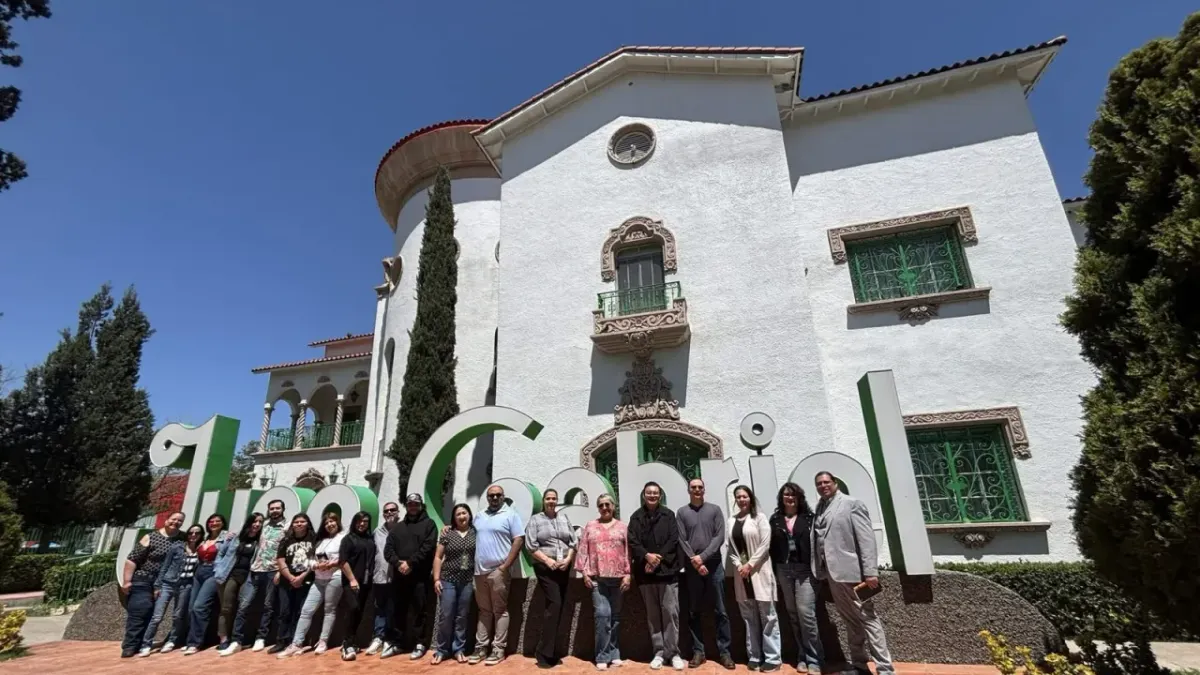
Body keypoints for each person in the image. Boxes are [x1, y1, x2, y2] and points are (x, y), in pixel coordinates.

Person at [812, 471, 893, 675]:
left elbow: (866, 539)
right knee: (849, 619)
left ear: (835, 483)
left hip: (855, 575)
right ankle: (859, 664)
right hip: (832, 575)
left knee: (868, 618)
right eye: (819, 484)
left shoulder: (851, 504)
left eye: (826, 482)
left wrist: (870, 572)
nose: (823, 486)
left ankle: (885, 668)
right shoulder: (819, 507)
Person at [677, 478, 733, 669]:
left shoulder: (715, 510)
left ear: (704, 490)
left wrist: (703, 557)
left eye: (700, 487)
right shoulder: (682, 512)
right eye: (693, 487)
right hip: (692, 569)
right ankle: (698, 651)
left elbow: (719, 536)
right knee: (694, 611)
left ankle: (725, 653)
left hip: (715, 566)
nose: (697, 490)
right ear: (688, 490)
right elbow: (682, 539)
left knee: (721, 611)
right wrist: (695, 560)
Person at [628, 481, 684, 671]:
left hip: (667, 573)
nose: (652, 496)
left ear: (660, 496)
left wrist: (657, 560)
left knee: (670, 613)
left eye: (655, 493)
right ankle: (659, 652)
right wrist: (647, 557)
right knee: (653, 615)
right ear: (644, 495)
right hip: (646, 575)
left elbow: (673, 539)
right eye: (648, 493)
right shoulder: (636, 517)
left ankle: (674, 653)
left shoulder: (669, 515)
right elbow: (633, 542)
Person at [221, 499, 288, 656]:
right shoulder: (262, 525)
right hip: (255, 569)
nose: (275, 510)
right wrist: (230, 534)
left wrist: (281, 570)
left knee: (268, 606)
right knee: (244, 605)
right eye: (272, 508)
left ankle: (261, 637)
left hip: (273, 570)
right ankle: (236, 641)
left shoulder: (287, 527)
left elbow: (286, 550)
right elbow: (246, 533)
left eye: (278, 508)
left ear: (283, 509)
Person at [188, 513, 262, 654]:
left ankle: (237, 639)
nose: (257, 524)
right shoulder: (236, 537)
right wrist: (218, 569)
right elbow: (221, 553)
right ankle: (223, 638)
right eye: (254, 521)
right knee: (226, 608)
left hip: (249, 577)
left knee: (243, 608)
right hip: (230, 575)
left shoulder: (261, 539)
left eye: (260, 522)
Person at [469, 484, 525, 666]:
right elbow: (467, 533)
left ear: (503, 496)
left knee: (500, 611)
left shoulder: (510, 515)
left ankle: (498, 649)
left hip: (498, 572)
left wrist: (504, 566)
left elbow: (518, 540)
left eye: (498, 495)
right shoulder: (480, 516)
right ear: (487, 497)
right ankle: (480, 648)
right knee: (484, 611)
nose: (494, 498)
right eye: (491, 496)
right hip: (479, 572)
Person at [769, 483, 822, 674]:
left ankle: (814, 658)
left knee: (806, 614)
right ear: (781, 498)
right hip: (784, 570)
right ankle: (802, 655)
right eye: (786, 495)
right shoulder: (775, 519)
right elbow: (772, 547)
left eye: (792, 495)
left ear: (799, 497)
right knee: (792, 613)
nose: (789, 498)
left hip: (805, 570)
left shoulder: (809, 518)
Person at [727, 485, 780, 672]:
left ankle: (773, 658)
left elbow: (765, 544)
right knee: (749, 617)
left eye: (745, 496)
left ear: (750, 498)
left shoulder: (760, 518)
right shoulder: (731, 520)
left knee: (768, 616)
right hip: (742, 575)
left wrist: (750, 564)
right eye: (738, 497)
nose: (742, 500)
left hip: (759, 572)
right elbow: (731, 548)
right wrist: (740, 566)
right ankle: (755, 655)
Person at [575, 493, 629, 672]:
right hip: (598, 579)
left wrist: (628, 574)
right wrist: (584, 574)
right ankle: (602, 656)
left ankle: (614, 654)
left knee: (615, 618)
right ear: (598, 508)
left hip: (618, 578)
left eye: (608, 504)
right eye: (601, 505)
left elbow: (628, 552)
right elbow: (583, 549)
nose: (605, 508)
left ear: (613, 506)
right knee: (602, 616)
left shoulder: (623, 527)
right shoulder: (591, 526)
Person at [525, 489, 578, 668]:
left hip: (563, 567)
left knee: (559, 607)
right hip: (545, 568)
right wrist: (548, 560)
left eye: (554, 498)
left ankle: (551, 650)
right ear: (543, 501)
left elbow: (573, 542)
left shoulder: (563, 519)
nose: (551, 501)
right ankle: (543, 653)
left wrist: (568, 559)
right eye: (548, 498)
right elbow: (531, 545)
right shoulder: (536, 520)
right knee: (554, 604)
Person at [120, 511, 184, 658]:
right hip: (144, 579)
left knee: (155, 615)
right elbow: (132, 559)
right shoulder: (151, 537)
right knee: (140, 611)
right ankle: (130, 645)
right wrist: (127, 581)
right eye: (173, 519)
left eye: (180, 521)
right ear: (166, 520)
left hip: (166, 582)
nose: (176, 522)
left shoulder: (182, 538)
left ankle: (143, 643)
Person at [279, 511, 343, 658]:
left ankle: (323, 641)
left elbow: (346, 557)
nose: (329, 525)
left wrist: (331, 563)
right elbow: (311, 559)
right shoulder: (321, 540)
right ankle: (296, 643)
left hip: (335, 576)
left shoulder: (343, 538)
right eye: (326, 523)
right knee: (306, 611)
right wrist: (315, 565)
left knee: (329, 610)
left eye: (332, 521)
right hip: (319, 579)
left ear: (337, 522)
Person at [382, 493, 437, 659]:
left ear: (421, 506)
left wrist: (410, 563)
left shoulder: (429, 524)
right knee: (399, 610)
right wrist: (399, 564)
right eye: (410, 504)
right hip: (400, 577)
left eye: (416, 504)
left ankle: (420, 643)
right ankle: (398, 643)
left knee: (420, 610)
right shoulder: (398, 527)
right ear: (406, 506)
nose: (413, 507)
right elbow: (388, 550)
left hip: (419, 577)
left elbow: (428, 547)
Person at [140, 523, 202, 656]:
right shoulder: (177, 546)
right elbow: (165, 566)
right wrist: (158, 585)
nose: (193, 535)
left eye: (197, 533)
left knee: (178, 616)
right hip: (168, 583)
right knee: (157, 616)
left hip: (186, 585)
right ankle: (146, 644)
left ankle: (172, 641)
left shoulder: (200, 549)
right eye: (191, 532)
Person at [432, 503, 477, 665]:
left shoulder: (475, 532)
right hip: (448, 579)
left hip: (467, 581)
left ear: (470, 515)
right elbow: (438, 557)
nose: (462, 517)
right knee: (446, 615)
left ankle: (459, 649)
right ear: (454, 518)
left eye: (464, 513)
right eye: (458, 514)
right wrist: (436, 579)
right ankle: (442, 650)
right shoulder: (448, 533)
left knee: (462, 617)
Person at [274, 512, 317, 656]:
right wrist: (291, 577)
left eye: (302, 522)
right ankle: (281, 640)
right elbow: (280, 559)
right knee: (285, 611)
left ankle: (296, 640)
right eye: (296, 522)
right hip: (287, 580)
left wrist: (301, 577)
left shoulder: (314, 538)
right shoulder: (286, 539)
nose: (299, 524)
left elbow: (314, 559)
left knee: (300, 611)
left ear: (308, 524)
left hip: (306, 579)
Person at [338, 511, 377, 661]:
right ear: (354, 522)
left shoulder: (369, 539)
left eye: (365, 522)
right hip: (351, 582)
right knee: (353, 608)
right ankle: (346, 644)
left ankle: (352, 641)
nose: (362, 524)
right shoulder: (348, 539)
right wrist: (352, 579)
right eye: (359, 521)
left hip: (367, 582)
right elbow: (343, 561)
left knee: (360, 612)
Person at [365, 501, 400, 655]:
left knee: (394, 610)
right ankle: (378, 637)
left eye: (393, 510)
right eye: (386, 511)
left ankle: (390, 639)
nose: (389, 513)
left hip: (397, 578)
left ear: (398, 512)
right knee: (380, 608)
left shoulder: (403, 529)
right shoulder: (377, 532)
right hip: (379, 577)